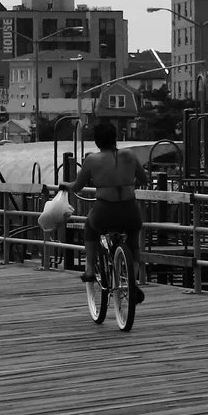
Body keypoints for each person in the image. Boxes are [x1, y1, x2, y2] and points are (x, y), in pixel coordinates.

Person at [62, 122, 148, 304]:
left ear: (97, 141)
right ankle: (133, 281)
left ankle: (90, 268)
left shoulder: (92, 160)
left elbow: (77, 186)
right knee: (133, 240)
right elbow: (144, 179)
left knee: (90, 227)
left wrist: (65, 186)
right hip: (130, 209)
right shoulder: (130, 156)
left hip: (105, 210)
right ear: (115, 138)